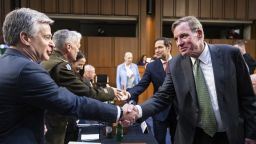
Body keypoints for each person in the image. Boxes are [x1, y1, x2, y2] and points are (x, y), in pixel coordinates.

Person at [0, 8, 136, 144]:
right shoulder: (27, 69)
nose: (52, 43)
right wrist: (118, 112)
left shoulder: (5, 62)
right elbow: (72, 103)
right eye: (47, 37)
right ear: (25, 38)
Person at [123, 16, 256, 144]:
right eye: (176, 38)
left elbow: (247, 97)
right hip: (194, 136)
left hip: (229, 135)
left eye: (183, 36)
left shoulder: (230, 54)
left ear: (199, 33)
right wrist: (137, 110)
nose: (179, 43)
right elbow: (162, 96)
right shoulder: (175, 64)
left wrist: (252, 133)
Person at [41, 29, 123, 144]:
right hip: (52, 124)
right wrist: (111, 92)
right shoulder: (61, 66)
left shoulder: (49, 60)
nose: (78, 51)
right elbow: (86, 92)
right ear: (69, 47)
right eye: (77, 47)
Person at [127, 37, 176, 144]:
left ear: (168, 47)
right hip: (159, 110)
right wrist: (128, 93)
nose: (156, 50)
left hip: (177, 111)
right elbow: (142, 85)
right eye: (155, 48)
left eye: (160, 47)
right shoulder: (151, 66)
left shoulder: (180, 63)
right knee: (159, 141)